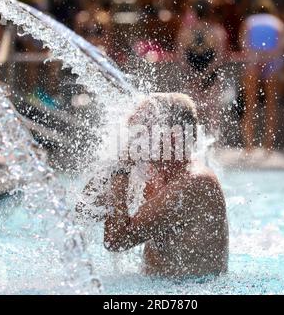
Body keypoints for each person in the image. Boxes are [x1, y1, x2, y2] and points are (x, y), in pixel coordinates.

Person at [76, 93, 229, 279]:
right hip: (158, 287)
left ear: (172, 137)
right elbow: (84, 211)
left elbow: (116, 241)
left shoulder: (195, 183)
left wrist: (120, 170)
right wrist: (112, 165)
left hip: (192, 291)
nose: (132, 137)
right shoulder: (153, 175)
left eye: (141, 130)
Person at [239, 0, 284, 151]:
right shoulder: (277, 22)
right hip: (272, 62)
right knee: (271, 105)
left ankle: (249, 146)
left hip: (254, 61)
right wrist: (269, 56)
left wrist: (257, 57)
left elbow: (243, 43)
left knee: (250, 105)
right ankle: (269, 146)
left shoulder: (250, 21)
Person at [176, 0, 228, 134]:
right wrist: (205, 75)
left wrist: (193, 75)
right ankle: (214, 146)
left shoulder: (185, 32)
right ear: (209, 13)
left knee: (193, 112)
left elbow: (181, 59)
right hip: (211, 75)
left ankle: (193, 142)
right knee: (213, 112)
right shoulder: (217, 31)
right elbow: (219, 58)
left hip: (191, 75)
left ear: (194, 13)